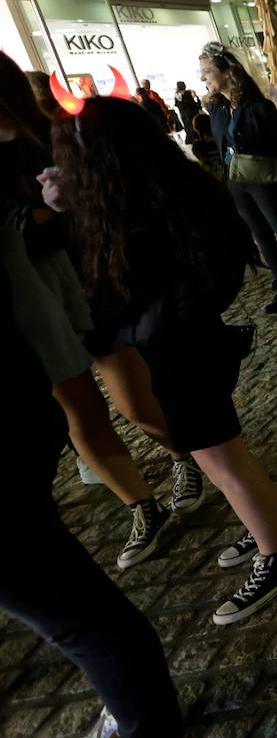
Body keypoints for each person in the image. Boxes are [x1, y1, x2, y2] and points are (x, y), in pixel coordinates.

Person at [42, 95, 277, 625]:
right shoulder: (169, 188)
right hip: (189, 339)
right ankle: (274, 516)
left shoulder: (133, 217)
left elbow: (110, 291)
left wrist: (64, 214)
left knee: (218, 456)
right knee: (219, 450)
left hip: (177, 347)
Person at [1, 53, 206, 570]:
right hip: (23, 307)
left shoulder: (54, 136)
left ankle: (192, 458)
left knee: (136, 404)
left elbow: (103, 205)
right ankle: (142, 505)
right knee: (80, 419)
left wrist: (51, 212)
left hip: (83, 290)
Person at [1, 220, 185, 737]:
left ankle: (142, 714)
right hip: (40, 348)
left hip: (64, 321)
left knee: (80, 616)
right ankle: (145, 504)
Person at [200, 41, 277, 313]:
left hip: (264, 181)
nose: (202, 77)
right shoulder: (217, 110)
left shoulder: (259, 107)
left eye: (207, 71)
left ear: (226, 72)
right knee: (261, 236)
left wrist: (273, 171)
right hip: (236, 183)